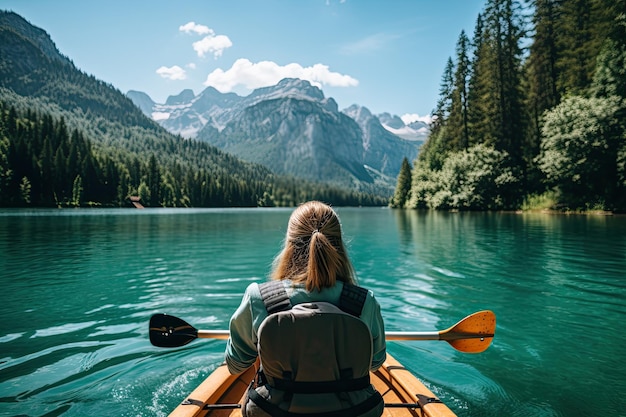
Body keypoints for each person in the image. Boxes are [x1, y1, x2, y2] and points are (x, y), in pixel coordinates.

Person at [225, 201, 386, 417]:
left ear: (289, 246)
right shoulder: (364, 302)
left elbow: (235, 365)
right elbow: (375, 363)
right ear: (339, 246)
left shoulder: (259, 298)